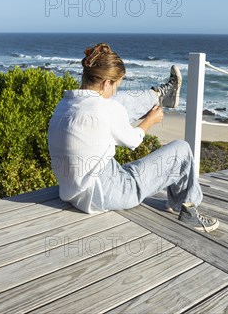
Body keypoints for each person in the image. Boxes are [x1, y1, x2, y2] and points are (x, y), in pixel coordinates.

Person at [48, 43, 219, 232]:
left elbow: (111, 106)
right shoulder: (104, 109)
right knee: (182, 150)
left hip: (73, 192)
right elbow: (133, 141)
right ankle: (189, 211)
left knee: (118, 103)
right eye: (115, 86)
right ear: (106, 83)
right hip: (106, 193)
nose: (114, 92)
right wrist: (150, 120)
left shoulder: (64, 104)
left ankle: (160, 94)